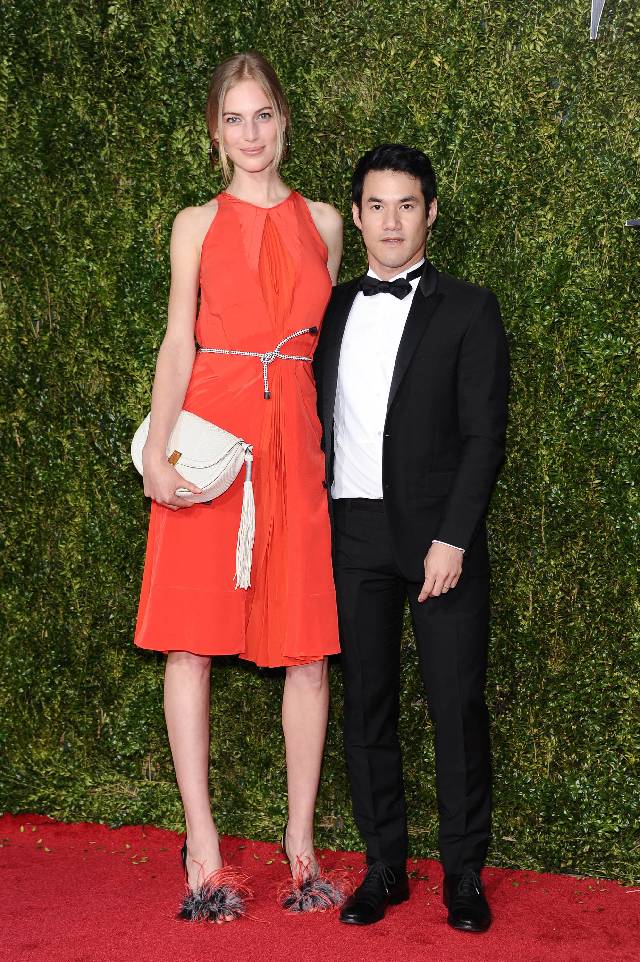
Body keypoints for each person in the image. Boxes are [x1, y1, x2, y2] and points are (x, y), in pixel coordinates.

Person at [134, 51, 345, 921]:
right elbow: (178, 340)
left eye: (263, 115)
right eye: (234, 118)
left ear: (284, 121)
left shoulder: (328, 221)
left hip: (293, 438)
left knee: (307, 645)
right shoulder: (193, 224)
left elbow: (334, 353)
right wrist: (158, 453)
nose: (251, 134)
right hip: (211, 434)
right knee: (190, 640)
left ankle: (300, 844)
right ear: (215, 133)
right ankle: (204, 846)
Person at [314, 144, 510, 932]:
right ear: (357, 215)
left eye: (406, 205)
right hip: (351, 528)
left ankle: (464, 875)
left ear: (430, 212)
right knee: (367, 706)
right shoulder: (328, 308)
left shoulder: (469, 306)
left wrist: (454, 538)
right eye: (376, 205)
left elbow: (483, 436)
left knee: (456, 706)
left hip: (438, 539)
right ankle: (384, 868)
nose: (391, 220)